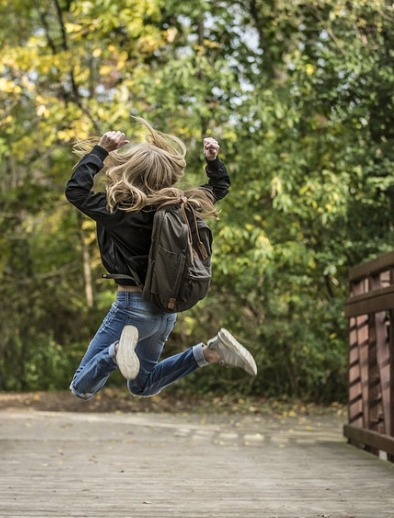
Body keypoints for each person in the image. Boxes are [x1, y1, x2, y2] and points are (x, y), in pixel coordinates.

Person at [66, 118, 257, 401]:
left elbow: (75, 191)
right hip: (165, 311)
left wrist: (101, 150)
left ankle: (116, 352)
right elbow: (218, 188)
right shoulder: (183, 206)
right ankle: (210, 352)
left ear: (129, 170)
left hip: (131, 309)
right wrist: (213, 162)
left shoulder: (117, 210)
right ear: (167, 174)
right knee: (142, 385)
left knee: (81, 388)